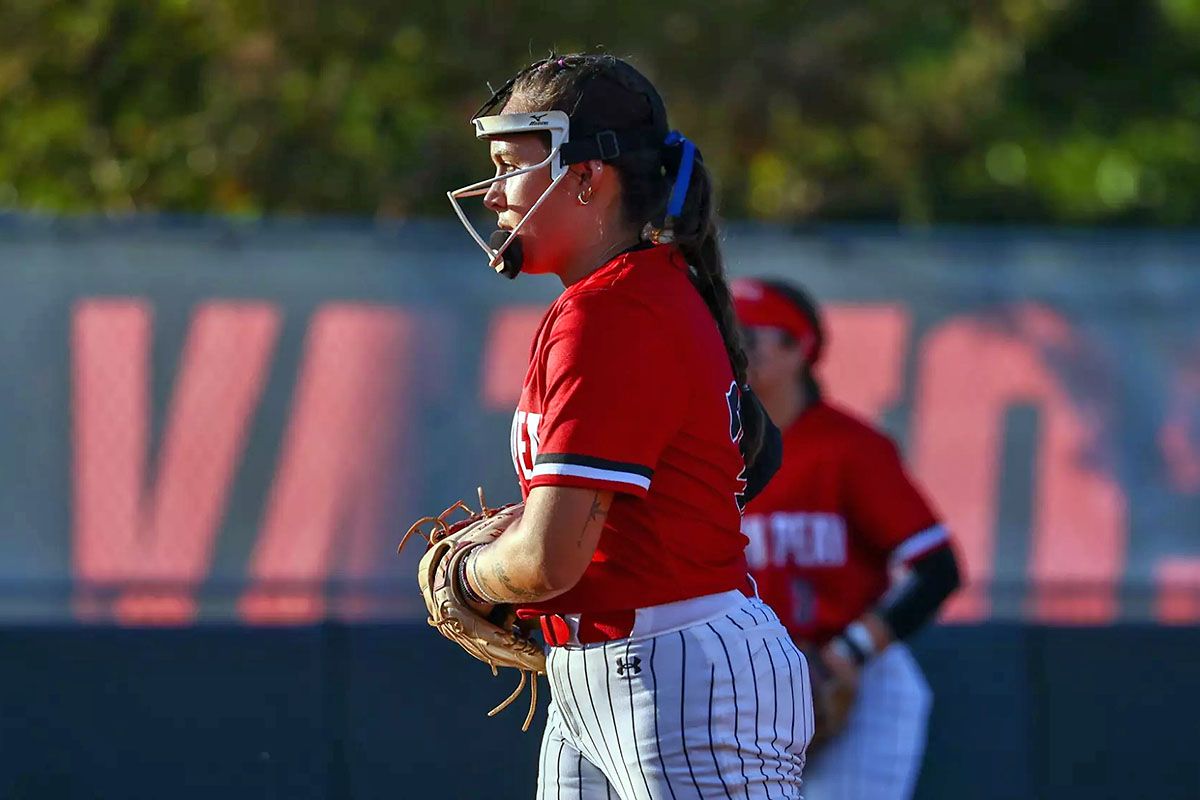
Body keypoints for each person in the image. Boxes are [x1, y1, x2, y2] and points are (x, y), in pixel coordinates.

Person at [444, 53, 812, 799]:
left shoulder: (613, 311)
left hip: (676, 672)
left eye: (512, 164)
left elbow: (549, 562)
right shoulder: (627, 296)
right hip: (623, 666)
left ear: (585, 178)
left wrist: (466, 575)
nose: (493, 194)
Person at [731, 277, 963, 800]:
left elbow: (938, 569)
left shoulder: (849, 448)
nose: (733, 350)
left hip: (851, 673)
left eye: (748, 336)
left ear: (800, 349)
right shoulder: (706, 449)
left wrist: (847, 653)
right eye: (724, 335)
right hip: (743, 681)